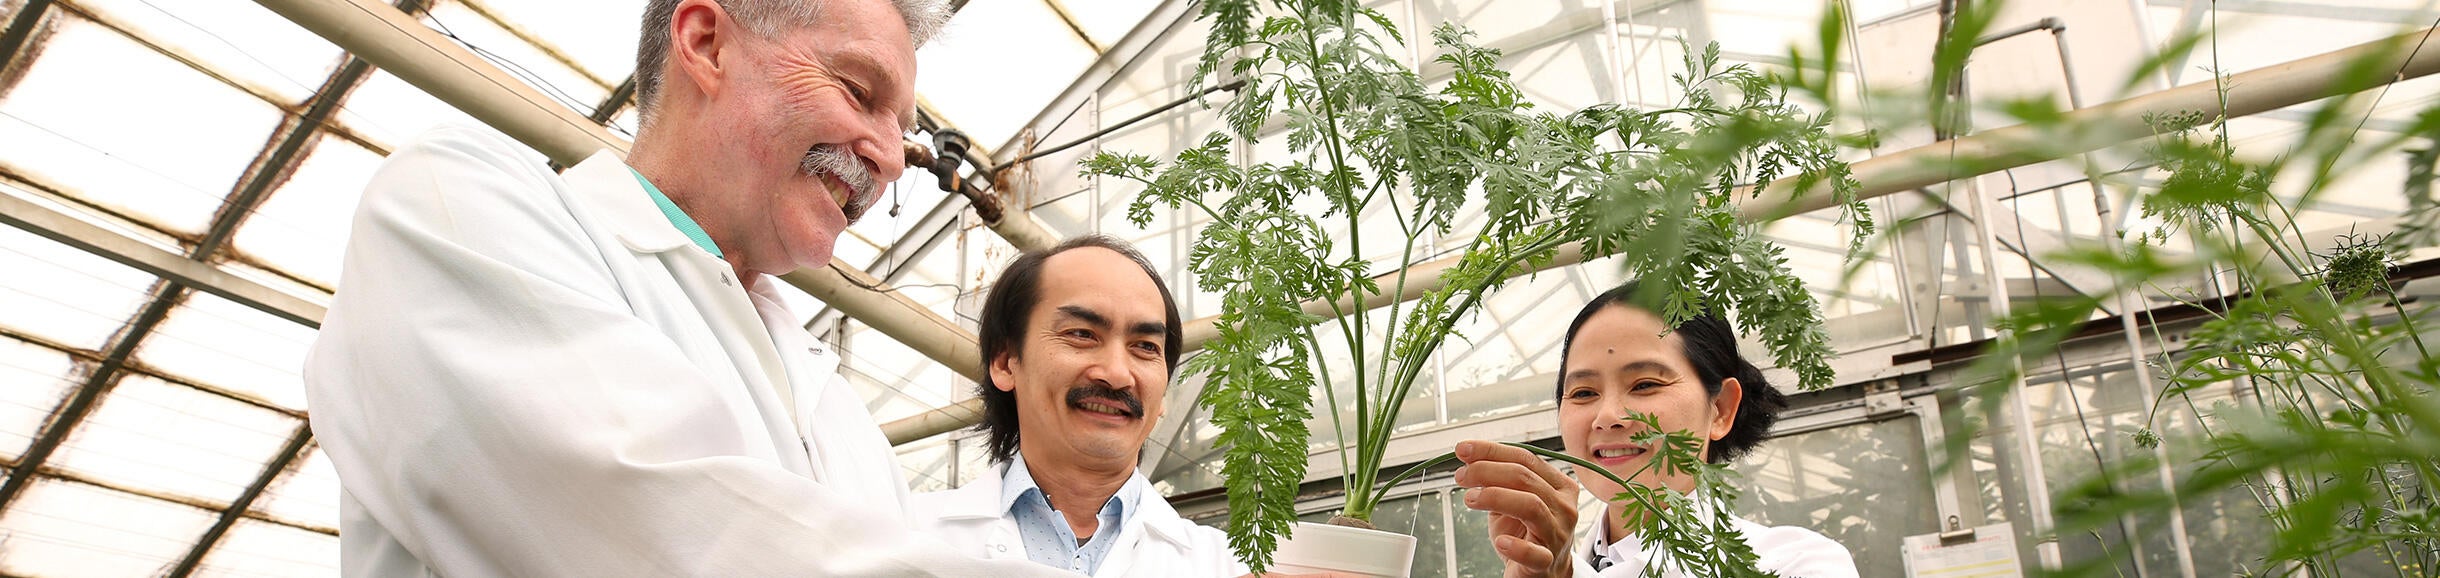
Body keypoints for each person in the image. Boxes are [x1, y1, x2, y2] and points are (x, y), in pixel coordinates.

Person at [302, 0, 1085, 574]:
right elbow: (672, 537)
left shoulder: (834, 404)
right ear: (706, 42)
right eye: (858, 91)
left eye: (902, 125)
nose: (888, 154)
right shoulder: (455, 208)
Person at [908, 235, 1248, 577]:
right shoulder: (907, 537)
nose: (1117, 374)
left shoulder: (1233, 566)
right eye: (1082, 334)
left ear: (1162, 397)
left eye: (1145, 346)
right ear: (1005, 363)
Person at [1535, 282, 1859, 577]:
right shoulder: (1535, 567)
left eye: (1645, 384)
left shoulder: (1798, 564)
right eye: (1584, 393)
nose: (1607, 416)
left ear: (1720, 409)